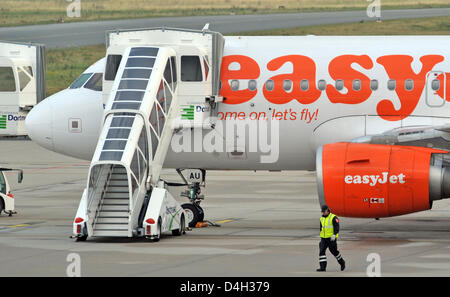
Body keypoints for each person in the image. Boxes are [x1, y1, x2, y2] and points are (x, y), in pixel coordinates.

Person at [316, 205, 345, 272]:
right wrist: (321, 236)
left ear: (327, 210)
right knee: (321, 252)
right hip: (324, 238)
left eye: (324, 211)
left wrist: (334, 235)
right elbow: (321, 228)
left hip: (331, 238)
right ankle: (322, 267)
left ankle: (342, 262)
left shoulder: (333, 217)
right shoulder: (321, 218)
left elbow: (336, 227)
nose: (323, 213)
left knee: (334, 252)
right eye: (322, 212)